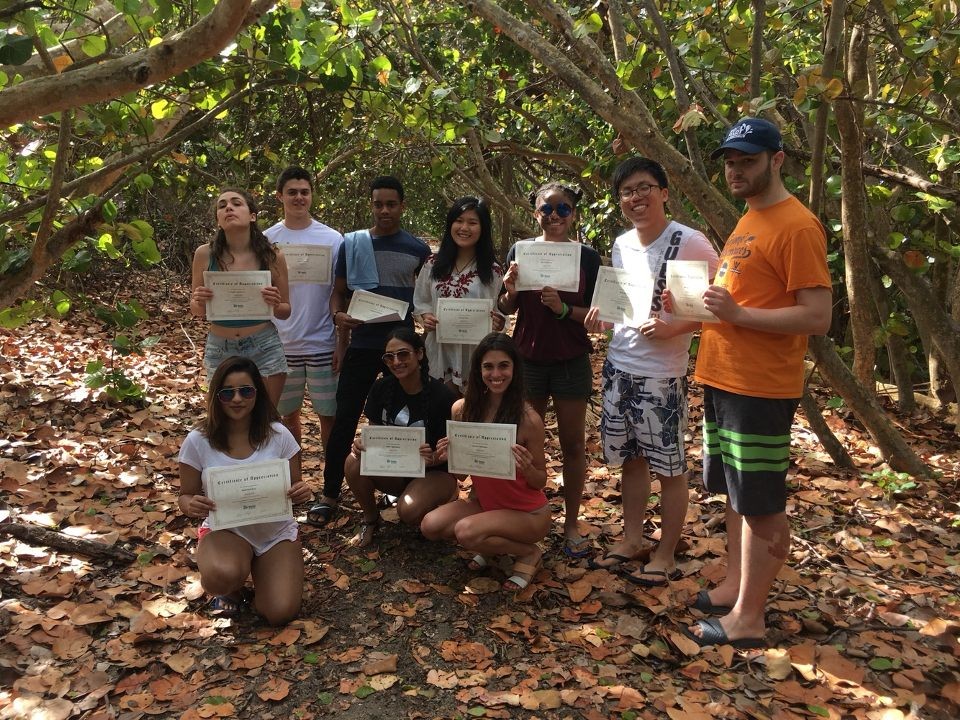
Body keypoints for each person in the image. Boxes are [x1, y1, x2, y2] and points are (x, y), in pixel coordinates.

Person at [683, 118, 832, 649]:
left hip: (760, 387)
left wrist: (739, 314)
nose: (736, 170)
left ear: (777, 160)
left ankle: (749, 617)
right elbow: (741, 300)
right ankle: (735, 585)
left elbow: (817, 316)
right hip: (724, 378)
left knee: (761, 502)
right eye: (730, 162)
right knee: (734, 491)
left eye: (747, 160)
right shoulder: (750, 219)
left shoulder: (797, 226)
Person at [584, 157, 719, 586]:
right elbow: (622, 307)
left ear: (664, 193)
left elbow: (719, 309)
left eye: (644, 188)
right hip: (618, 367)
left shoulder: (689, 242)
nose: (636, 197)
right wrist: (601, 319)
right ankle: (632, 540)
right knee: (631, 461)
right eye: (627, 192)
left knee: (670, 468)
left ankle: (665, 553)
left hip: (661, 376)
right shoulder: (623, 243)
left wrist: (672, 328)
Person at [308, 176, 431, 526]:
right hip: (362, 345)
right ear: (371, 205)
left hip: (402, 350)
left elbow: (425, 298)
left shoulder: (418, 250)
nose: (384, 210)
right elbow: (339, 292)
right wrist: (338, 319)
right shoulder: (353, 244)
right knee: (345, 418)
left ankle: (402, 487)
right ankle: (330, 493)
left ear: (402, 206)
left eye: (391, 204)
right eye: (378, 204)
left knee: (408, 420)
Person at [497, 182, 601, 558]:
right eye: (547, 209)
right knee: (522, 443)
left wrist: (562, 310)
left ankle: (571, 524)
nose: (554, 216)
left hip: (571, 359)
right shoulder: (520, 250)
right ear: (535, 213)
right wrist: (509, 290)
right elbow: (507, 308)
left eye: (563, 209)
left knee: (572, 445)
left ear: (574, 215)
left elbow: (598, 314)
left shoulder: (587, 257)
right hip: (528, 359)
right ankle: (522, 519)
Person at [177, 355, 313, 625]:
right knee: (221, 576)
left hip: (274, 532)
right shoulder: (198, 440)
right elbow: (185, 496)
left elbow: (295, 484)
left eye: (246, 391)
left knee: (279, 612)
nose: (237, 399)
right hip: (227, 530)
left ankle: (263, 579)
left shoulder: (279, 434)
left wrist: (301, 491)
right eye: (228, 393)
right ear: (216, 397)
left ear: (258, 393)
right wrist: (190, 504)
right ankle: (231, 586)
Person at [421, 333, 550, 592]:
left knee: (466, 532)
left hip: (527, 513)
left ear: (515, 369)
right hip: (486, 504)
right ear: (478, 370)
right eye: (488, 366)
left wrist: (527, 468)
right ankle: (491, 545)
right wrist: (449, 456)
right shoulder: (462, 410)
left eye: (504, 365)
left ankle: (528, 553)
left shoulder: (528, 419)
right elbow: (461, 477)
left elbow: (540, 482)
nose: (496, 374)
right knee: (430, 526)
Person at [344, 327, 457, 547]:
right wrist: (363, 445)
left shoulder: (442, 396)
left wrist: (433, 458)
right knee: (353, 462)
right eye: (389, 357)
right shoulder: (381, 388)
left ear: (420, 354)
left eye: (403, 354)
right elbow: (376, 435)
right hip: (396, 467)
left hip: (435, 472)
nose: (396, 362)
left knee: (409, 512)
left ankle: (446, 497)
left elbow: (453, 451)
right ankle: (370, 519)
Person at [264, 166, 344, 448]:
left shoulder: (332, 239)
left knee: (329, 416)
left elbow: (340, 292)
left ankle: (331, 472)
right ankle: (293, 471)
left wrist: (341, 342)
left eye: (304, 192)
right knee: (287, 417)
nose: (299, 197)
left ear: (312, 195)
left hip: (322, 342)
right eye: (292, 192)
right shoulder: (266, 240)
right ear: (279, 196)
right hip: (281, 344)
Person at [190, 189, 291, 408]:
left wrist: (275, 304)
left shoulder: (273, 255)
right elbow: (196, 310)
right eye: (222, 205)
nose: (228, 207)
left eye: (236, 203)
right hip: (220, 346)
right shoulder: (204, 254)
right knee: (223, 417)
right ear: (218, 219)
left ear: (252, 216)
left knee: (266, 417)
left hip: (263, 344)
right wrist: (199, 300)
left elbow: (285, 311)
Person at [414, 196, 505, 396]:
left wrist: (498, 322)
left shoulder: (493, 271)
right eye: (459, 220)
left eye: (472, 222)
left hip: (475, 352)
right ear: (450, 224)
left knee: (471, 410)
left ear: (483, 228)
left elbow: (497, 311)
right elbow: (421, 301)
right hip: (440, 350)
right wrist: (426, 318)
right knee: (442, 407)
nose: (464, 228)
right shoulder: (432, 264)